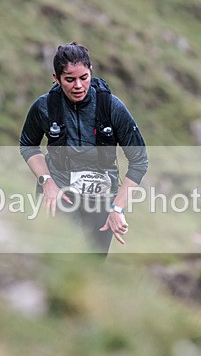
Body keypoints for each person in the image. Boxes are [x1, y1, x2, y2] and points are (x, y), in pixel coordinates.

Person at [19, 42, 148, 255]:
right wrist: (47, 182)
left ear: (91, 72)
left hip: (101, 198)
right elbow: (28, 145)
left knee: (91, 264)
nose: (78, 85)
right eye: (69, 79)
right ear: (56, 78)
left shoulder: (112, 107)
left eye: (84, 77)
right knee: (59, 258)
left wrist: (117, 208)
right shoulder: (44, 107)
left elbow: (139, 161)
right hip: (60, 193)